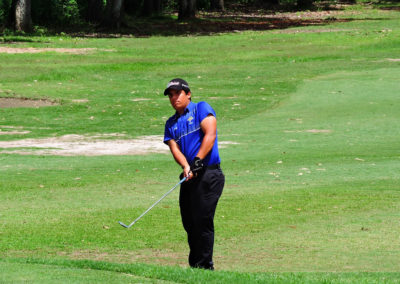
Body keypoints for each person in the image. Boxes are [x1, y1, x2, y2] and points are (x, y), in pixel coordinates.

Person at [163, 78, 225, 270]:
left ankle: (205, 266)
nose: (174, 98)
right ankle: (196, 266)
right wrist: (186, 166)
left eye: (178, 93)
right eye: (171, 96)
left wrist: (197, 160)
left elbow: (210, 133)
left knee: (202, 220)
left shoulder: (201, 108)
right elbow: (174, 148)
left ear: (188, 93)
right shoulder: (171, 123)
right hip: (190, 175)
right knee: (189, 222)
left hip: (209, 174)